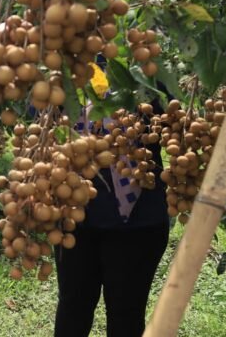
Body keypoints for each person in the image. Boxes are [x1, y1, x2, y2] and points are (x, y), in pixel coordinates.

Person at [54, 102, 169, 337]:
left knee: (126, 315)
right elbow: (39, 114)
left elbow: (171, 121)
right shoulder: (61, 72)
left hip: (138, 221)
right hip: (75, 218)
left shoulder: (150, 71)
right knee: (73, 308)